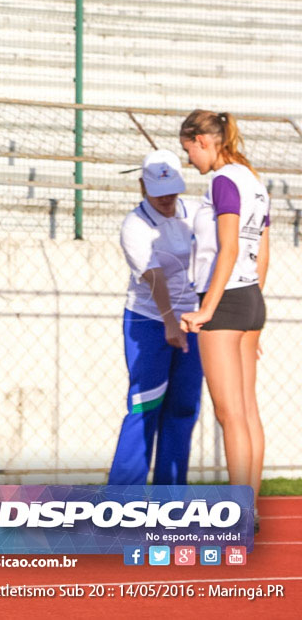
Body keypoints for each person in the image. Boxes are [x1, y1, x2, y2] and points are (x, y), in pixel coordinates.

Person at [178, 110, 270, 531]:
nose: (189, 161)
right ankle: (248, 510)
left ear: (201, 140)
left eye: (188, 150)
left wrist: (208, 308)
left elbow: (228, 248)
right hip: (249, 298)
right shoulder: (252, 179)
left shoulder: (223, 180)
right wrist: (254, 305)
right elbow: (262, 251)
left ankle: (238, 514)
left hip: (227, 300)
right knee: (247, 412)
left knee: (230, 414)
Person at [109, 150, 203, 486]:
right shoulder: (134, 224)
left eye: (172, 189)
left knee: (183, 407)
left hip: (193, 321)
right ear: (142, 186)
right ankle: (123, 501)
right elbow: (154, 276)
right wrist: (169, 323)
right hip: (149, 320)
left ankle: (171, 498)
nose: (166, 198)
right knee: (145, 405)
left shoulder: (194, 214)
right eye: (158, 191)